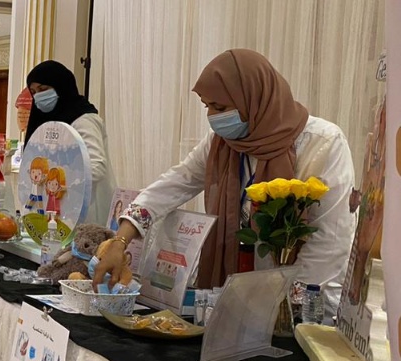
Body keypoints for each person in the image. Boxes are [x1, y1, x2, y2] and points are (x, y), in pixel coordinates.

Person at [94, 49, 357, 292]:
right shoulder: (223, 143)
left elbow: (329, 243)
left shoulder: (323, 143)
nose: (212, 116)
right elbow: (176, 183)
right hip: (237, 292)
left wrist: (285, 305)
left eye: (220, 108)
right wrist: (121, 240)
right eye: (207, 106)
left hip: (302, 298)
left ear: (254, 99)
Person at [25, 60, 117, 226]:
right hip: (57, 212)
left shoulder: (84, 120)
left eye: (43, 89)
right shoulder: (48, 123)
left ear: (61, 86)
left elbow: (96, 166)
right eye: (33, 92)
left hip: (87, 212)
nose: (38, 96)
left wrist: (58, 182)